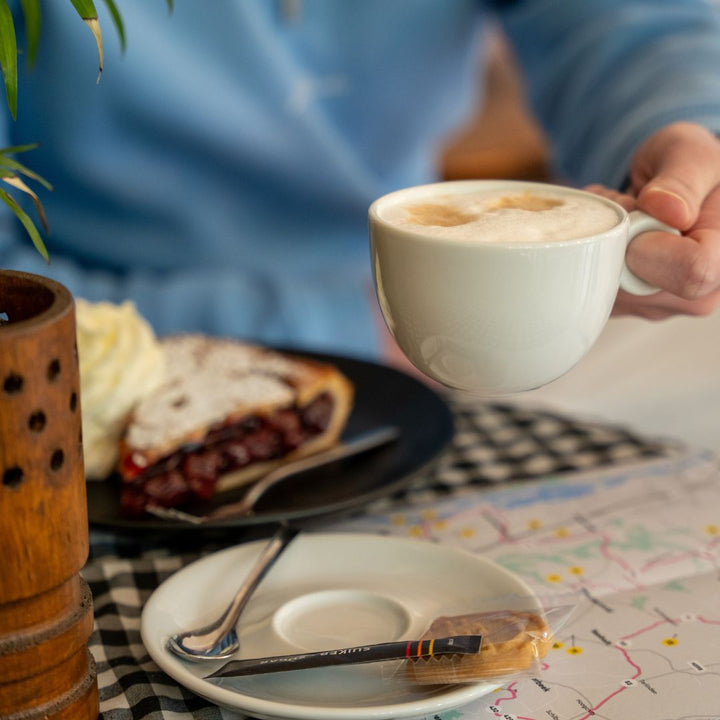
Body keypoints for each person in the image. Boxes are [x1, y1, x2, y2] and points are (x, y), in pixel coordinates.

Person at [2, 0, 720, 365]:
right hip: (83, 372)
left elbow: (636, 24)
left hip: (435, 346)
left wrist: (680, 125)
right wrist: (365, 327)